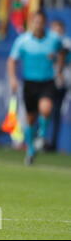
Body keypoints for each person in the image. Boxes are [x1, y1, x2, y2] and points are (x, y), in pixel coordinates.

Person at [7, 11, 65, 165]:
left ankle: (42, 136)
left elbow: (62, 52)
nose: (38, 25)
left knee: (46, 109)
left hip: (47, 81)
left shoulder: (53, 39)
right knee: (30, 119)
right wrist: (13, 79)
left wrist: (59, 69)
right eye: (35, 22)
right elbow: (12, 60)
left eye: (41, 22)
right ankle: (31, 150)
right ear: (31, 23)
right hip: (30, 83)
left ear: (44, 23)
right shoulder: (23, 41)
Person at [47, 20, 71, 151]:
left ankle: (53, 143)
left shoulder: (66, 43)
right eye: (54, 29)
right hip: (47, 80)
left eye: (58, 29)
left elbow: (63, 56)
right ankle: (41, 139)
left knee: (56, 111)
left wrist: (60, 71)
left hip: (62, 81)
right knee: (45, 110)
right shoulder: (46, 42)